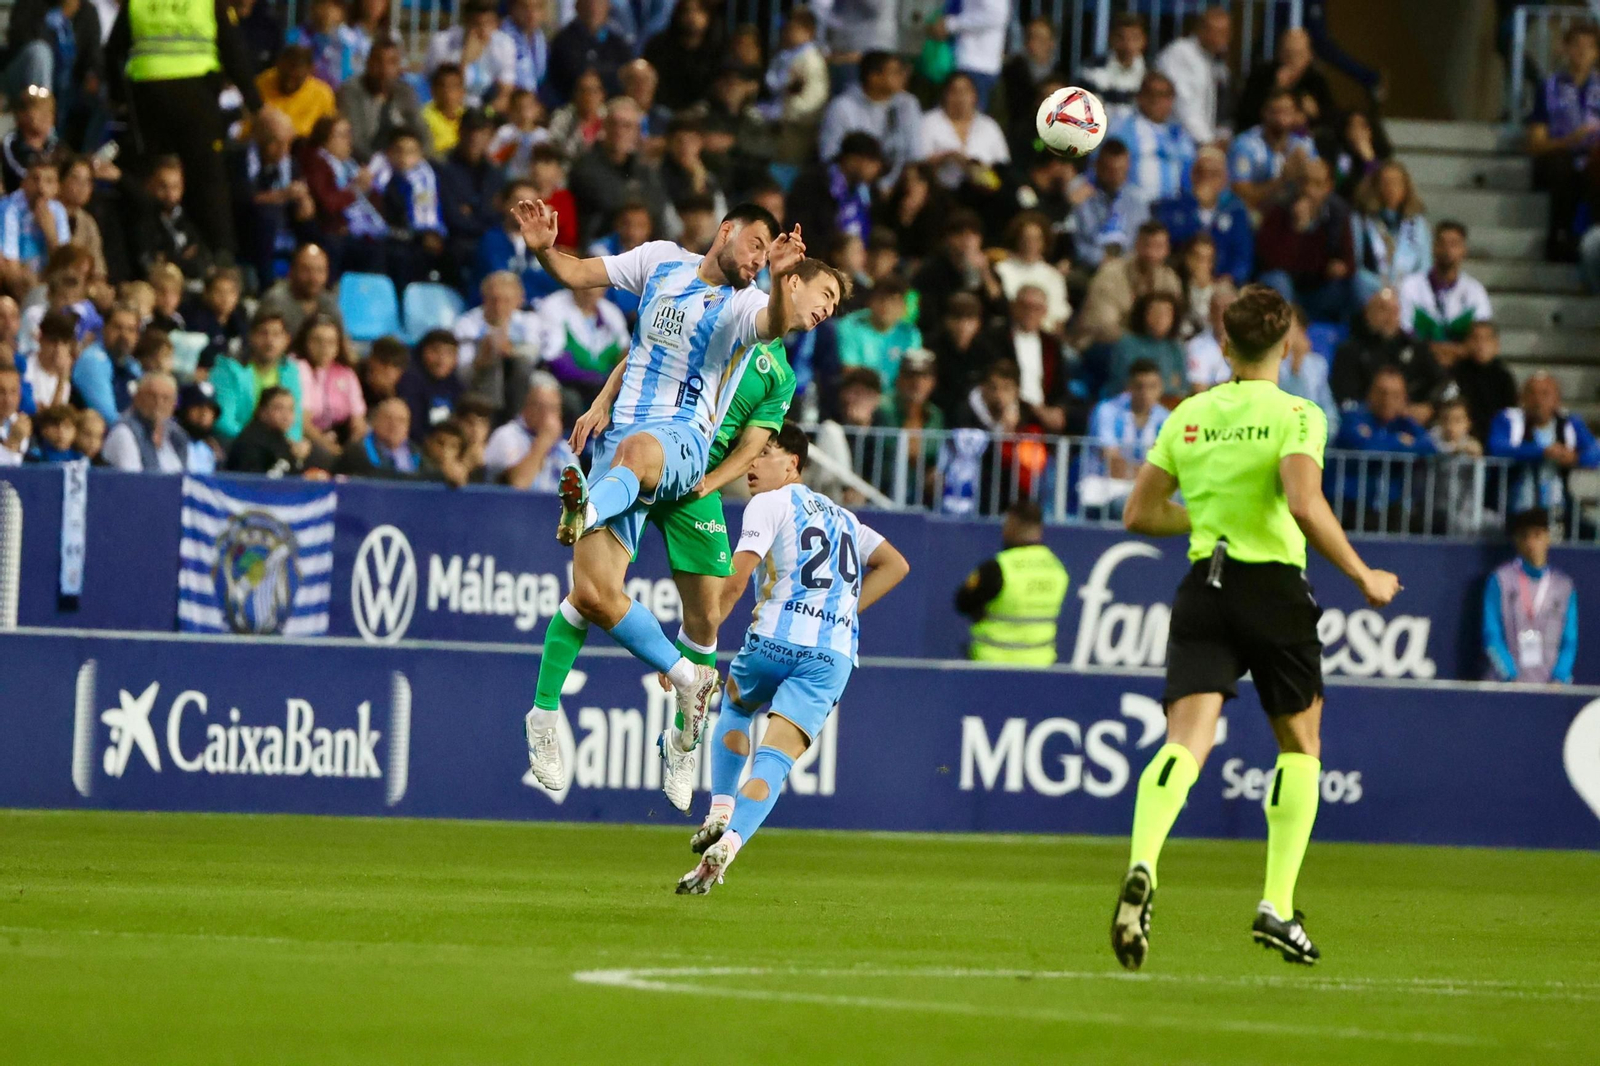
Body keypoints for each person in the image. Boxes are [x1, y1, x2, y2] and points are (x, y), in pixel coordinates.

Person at [1112, 284, 1401, 972]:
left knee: (1185, 743)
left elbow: (1138, 516)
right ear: (1289, 341)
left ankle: (1143, 864)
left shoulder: (1188, 414)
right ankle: (1275, 904)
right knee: (1300, 744)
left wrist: (1207, 517)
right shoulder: (1298, 413)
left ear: (1224, 343)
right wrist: (1363, 574)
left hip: (1203, 587)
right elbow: (1303, 502)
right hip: (1271, 587)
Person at [521, 200, 843, 804]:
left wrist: (709, 484)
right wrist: (543, 248)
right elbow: (630, 334)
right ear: (728, 231)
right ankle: (558, 713)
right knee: (590, 594)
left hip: (687, 460)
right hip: (625, 450)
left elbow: (754, 431)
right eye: (821, 296)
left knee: (706, 615)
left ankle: (681, 744)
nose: (823, 312)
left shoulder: (757, 317)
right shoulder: (660, 264)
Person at [675, 423, 910, 893]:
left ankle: (721, 809)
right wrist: (842, 610)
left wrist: (698, 646)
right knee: (775, 761)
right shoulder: (847, 519)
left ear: (794, 464)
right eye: (751, 454)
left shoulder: (769, 503)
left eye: (765, 453)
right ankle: (734, 842)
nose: (753, 464)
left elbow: (737, 580)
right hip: (832, 653)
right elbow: (897, 565)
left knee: (738, 706)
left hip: (775, 641)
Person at [106, 0, 262, 261]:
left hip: (148, 101)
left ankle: (147, 254)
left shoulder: (139, 3)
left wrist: (119, 97)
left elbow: (114, 51)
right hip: (197, 101)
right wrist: (256, 104)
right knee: (208, 182)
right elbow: (233, 52)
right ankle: (219, 259)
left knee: (152, 179)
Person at [955, 498, 1069, 664]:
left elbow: (963, 602)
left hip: (993, 665)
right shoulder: (1057, 568)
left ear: (1013, 523)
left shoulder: (998, 567)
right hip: (1041, 665)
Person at [1526, 23, 1600, 261]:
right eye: (1576, 46)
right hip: (1557, 159)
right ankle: (1559, 238)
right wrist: (1569, 140)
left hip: (1593, 159)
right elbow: (1536, 143)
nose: (1582, 52)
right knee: (1563, 165)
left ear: (1597, 53)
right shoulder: (1548, 87)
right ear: (1565, 49)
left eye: (1589, 47)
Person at [1331, 366, 1436, 531]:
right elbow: (1365, 447)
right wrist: (1399, 441)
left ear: (1404, 398)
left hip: (1390, 507)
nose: (1387, 400)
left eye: (1396, 395)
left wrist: (1404, 428)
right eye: (1382, 392)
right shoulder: (1353, 416)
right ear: (1371, 393)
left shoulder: (1405, 423)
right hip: (1349, 506)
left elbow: (1429, 448)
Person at [1483, 508, 1578, 684]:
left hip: (1551, 687)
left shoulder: (1563, 586)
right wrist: (1510, 677)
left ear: (1548, 537)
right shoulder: (1501, 581)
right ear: (1517, 540)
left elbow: (1570, 640)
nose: (1531, 542)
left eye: (1537, 535)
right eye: (1525, 536)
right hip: (1508, 686)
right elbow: (1491, 635)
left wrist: (1559, 678)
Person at [1254, 157, 1354, 324]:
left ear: (1328, 187)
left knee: (1355, 285)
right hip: (1287, 288)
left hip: (1320, 288)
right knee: (1278, 279)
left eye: (1317, 184)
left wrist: (1340, 268)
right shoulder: (1279, 209)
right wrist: (1297, 230)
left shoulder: (1338, 213)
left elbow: (1349, 262)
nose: (1309, 190)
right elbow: (1269, 262)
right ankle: (1286, 331)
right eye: (1304, 182)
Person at [1487, 372, 1600, 518]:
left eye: (1545, 394)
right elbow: (1497, 448)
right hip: (1514, 508)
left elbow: (1595, 453)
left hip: (1558, 508)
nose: (1538, 400)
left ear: (1557, 399)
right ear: (1522, 398)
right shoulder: (1507, 419)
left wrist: (1575, 458)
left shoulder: (1570, 422)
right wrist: (1542, 452)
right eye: (1532, 393)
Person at [817, 51, 922, 191]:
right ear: (874, 77)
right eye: (895, 72)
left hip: (898, 186)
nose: (902, 77)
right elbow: (830, 156)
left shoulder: (908, 104)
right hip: (855, 184)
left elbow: (915, 154)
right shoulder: (842, 107)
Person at [1330, 287, 1440, 417]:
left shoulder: (1416, 348)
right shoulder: (1349, 351)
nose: (1389, 317)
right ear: (1368, 313)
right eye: (1382, 309)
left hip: (1413, 426)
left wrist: (1430, 407)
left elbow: (1446, 386)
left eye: (1394, 311)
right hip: (1366, 425)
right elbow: (1345, 400)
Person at [1075, 220, 1183, 350]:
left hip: (1150, 347)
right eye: (1147, 245)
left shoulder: (1170, 280)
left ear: (1167, 250)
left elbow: (1173, 324)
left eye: (1158, 247)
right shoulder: (1110, 274)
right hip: (1102, 345)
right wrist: (1140, 345)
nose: (1152, 253)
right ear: (1137, 245)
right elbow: (1102, 325)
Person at [1396, 221, 1492, 367]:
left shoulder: (1475, 291)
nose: (1447, 249)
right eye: (1442, 243)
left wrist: (1456, 352)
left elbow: (1483, 335)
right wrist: (1436, 350)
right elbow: (1405, 332)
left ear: (1463, 250)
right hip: (1419, 363)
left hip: (1463, 364)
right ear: (1433, 248)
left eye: (1454, 244)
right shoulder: (1411, 286)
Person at [1084, 358, 1170, 517]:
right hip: (1106, 488)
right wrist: (1150, 474)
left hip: (1146, 490)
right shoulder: (1106, 411)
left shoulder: (1167, 419)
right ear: (1129, 387)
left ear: (1161, 388)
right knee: (1127, 504)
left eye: (1152, 387)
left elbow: (1166, 469)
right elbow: (1113, 464)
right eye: (1139, 387)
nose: (1145, 393)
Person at [1155, 148, 1253, 285]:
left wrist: (1229, 279)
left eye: (1214, 174)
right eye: (1201, 173)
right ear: (1192, 176)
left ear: (1224, 179)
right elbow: (1170, 244)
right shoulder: (1172, 207)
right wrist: (1196, 208)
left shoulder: (1235, 211)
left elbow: (1242, 256)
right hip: (1179, 280)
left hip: (1222, 282)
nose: (1207, 179)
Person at [534, 281, 629, 411]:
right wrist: (595, 379)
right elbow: (554, 358)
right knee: (573, 400)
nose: (591, 290)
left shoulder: (611, 312)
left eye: (597, 284)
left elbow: (624, 351)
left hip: (603, 384)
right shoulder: (554, 305)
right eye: (586, 284)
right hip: (567, 382)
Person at [211, 311, 302, 443]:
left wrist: (291, 443)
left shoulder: (290, 371)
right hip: (236, 443)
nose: (270, 341)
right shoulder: (228, 368)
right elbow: (223, 421)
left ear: (287, 340)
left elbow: (295, 422)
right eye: (263, 333)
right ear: (251, 337)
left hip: (277, 445)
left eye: (277, 334)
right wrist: (260, 443)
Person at [337, 36, 431, 162]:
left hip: (404, 161)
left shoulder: (405, 92)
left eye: (392, 62)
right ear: (368, 63)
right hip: (364, 163)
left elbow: (422, 134)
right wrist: (384, 165)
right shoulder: (351, 91)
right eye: (378, 62)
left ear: (399, 67)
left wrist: (415, 159)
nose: (384, 69)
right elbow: (355, 141)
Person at [1350, 160, 1431, 306]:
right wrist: (1384, 289)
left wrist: (1403, 289)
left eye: (1396, 183)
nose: (1391, 188)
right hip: (1371, 292)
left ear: (1406, 188)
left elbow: (1425, 266)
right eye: (1385, 182)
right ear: (1375, 186)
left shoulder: (1417, 223)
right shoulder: (1361, 220)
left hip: (1409, 294)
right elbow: (1356, 265)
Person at [917, 72, 1009, 192]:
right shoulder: (928, 122)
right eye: (954, 91)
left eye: (965, 91)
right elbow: (918, 163)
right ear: (945, 95)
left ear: (974, 96)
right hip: (940, 191)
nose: (960, 97)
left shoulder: (989, 126)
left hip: (983, 192)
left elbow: (1003, 163)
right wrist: (947, 157)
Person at [1228, 89, 1318, 212]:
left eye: (1287, 112)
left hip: (1289, 216)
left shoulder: (1304, 145)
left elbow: (1318, 186)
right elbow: (1241, 196)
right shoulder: (1245, 145)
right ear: (1264, 112)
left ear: (1296, 114)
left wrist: (1303, 172)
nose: (1281, 118)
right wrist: (1283, 179)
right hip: (1254, 213)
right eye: (1276, 112)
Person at [481, 371, 574, 489]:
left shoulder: (564, 448)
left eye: (553, 408)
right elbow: (518, 484)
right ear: (526, 406)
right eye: (541, 407)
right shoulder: (506, 436)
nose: (548, 415)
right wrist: (543, 441)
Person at [1156, 5, 1232, 146]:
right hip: (1178, 139)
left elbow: (1222, 108)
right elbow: (1184, 107)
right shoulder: (1180, 54)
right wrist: (1207, 141)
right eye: (1218, 32)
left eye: (1226, 33)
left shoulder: (1216, 63)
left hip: (1202, 139)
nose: (1224, 39)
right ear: (1201, 30)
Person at [1070, 139, 1151, 272]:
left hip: (1130, 266)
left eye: (1121, 170)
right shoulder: (1082, 195)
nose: (1116, 176)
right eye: (1111, 170)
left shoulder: (1138, 200)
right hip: (1092, 267)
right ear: (1098, 166)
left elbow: (1142, 240)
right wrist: (1102, 260)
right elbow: (1078, 244)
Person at [291, 312, 366, 453]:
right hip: (307, 440)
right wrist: (334, 451)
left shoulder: (346, 373)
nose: (324, 348)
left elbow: (358, 423)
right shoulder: (297, 367)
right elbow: (303, 424)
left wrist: (351, 449)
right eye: (317, 341)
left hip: (339, 439)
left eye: (331, 342)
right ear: (305, 341)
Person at [423, 0, 516, 112]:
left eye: (488, 23)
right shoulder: (442, 43)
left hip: (486, 109)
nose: (483, 30)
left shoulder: (504, 44)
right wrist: (465, 60)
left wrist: (485, 115)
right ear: (466, 23)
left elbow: (505, 93)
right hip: (448, 107)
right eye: (476, 24)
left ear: (496, 24)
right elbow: (446, 89)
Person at [1118, 72, 1197, 204]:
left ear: (1172, 100)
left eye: (1163, 95)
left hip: (1174, 209)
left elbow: (1190, 174)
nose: (1156, 100)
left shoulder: (1181, 136)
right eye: (1150, 94)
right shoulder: (1124, 130)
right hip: (1135, 208)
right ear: (1139, 97)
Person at [832, 272, 918, 389]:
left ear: (903, 308)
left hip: (897, 398)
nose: (886, 306)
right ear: (870, 301)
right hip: (862, 393)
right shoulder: (850, 325)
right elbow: (849, 371)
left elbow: (912, 375)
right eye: (882, 299)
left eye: (893, 301)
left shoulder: (910, 333)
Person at [994, 212, 1070, 333]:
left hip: (1044, 335)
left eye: (1036, 239)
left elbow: (1059, 318)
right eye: (1026, 238)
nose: (1030, 244)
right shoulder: (1002, 270)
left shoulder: (1053, 276)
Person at [545, 0, 631, 104]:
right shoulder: (564, 40)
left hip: (613, 105)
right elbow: (576, 74)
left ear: (608, 7)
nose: (593, 9)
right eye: (588, 3)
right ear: (577, 7)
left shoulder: (618, 42)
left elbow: (626, 72)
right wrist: (614, 74)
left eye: (599, 4)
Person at [1447, 321, 1517, 446]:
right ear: (1467, 343)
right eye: (1475, 338)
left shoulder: (1504, 378)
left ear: (1496, 345)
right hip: (1462, 442)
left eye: (1486, 339)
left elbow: (1510, 414)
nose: (1481, 344)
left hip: (1496, 441)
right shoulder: (1455, 373)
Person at [101, 370, 188, 471]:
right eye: (151, 396)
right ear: (137, 398)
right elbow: (133, 482)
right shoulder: (124, 432)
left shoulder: (177, 436)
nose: (158, 403)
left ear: (174, 404)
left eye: (166, 398)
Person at [1081, 13, 1148, 131]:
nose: (1128, 44)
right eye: (1121, 38)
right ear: (1111, 39)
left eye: (1134, 38)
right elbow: (1088, 114)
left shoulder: (1149, 75)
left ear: (1144, 41)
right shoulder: (1091, 71)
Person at [226, 384, 313, 475]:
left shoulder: (280, 438)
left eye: (290, 409)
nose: (286, 415)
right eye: (279, 408)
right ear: (262, 412)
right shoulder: (251, 442)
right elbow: (255, 483)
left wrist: (298, 460)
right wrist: (294, 458)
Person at [253, 45, 337, 139]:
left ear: (311, 71)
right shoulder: (261, 83)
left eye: (297, 79)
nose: (289, 84)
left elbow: (328, 135)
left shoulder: (323, 94)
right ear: (278, 65)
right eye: (285, 76)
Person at [257, 244, 339, 337]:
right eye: (306, 270)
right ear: (292, 271)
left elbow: (343, 343)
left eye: (320, 270)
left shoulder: (329, 302)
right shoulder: (275, 301)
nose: (314, 278)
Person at [335, 394, 419, 477]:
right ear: (375, 422)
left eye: (401, 420)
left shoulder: (415, 452)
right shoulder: (358, 450)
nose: (394, 425)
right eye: (388, 418)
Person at [175, 380, 224, 473]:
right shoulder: (171, 442)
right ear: (184, 411)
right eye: (198, 407)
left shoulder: (211, 450)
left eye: (210, 410)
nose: (204, 414)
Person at [0, 362, 28, 465]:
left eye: (13, 391)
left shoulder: (24, 424)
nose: (8, 400)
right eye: (1, 392)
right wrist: (12, 443)